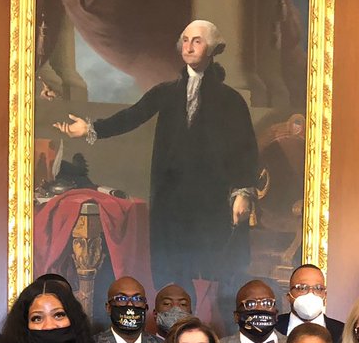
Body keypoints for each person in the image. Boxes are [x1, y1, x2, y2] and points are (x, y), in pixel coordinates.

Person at [53, 20, 259, 293]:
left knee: (209, 275)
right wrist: (90, 128)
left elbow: (245, 147)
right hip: (170, 203)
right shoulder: (166, 92)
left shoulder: (231, 100)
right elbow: (132, 116)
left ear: (213, 49)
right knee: (171, 275)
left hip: (210, 204)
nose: (189, 46)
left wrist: (243, 193)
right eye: (185, 40)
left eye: (197, 41)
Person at [276, 264, 344, 343]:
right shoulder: (274, 327)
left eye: (318, 288)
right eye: (302, 288)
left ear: (325, 296)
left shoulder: (344, 333)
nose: (310, 294)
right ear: (289, 296)